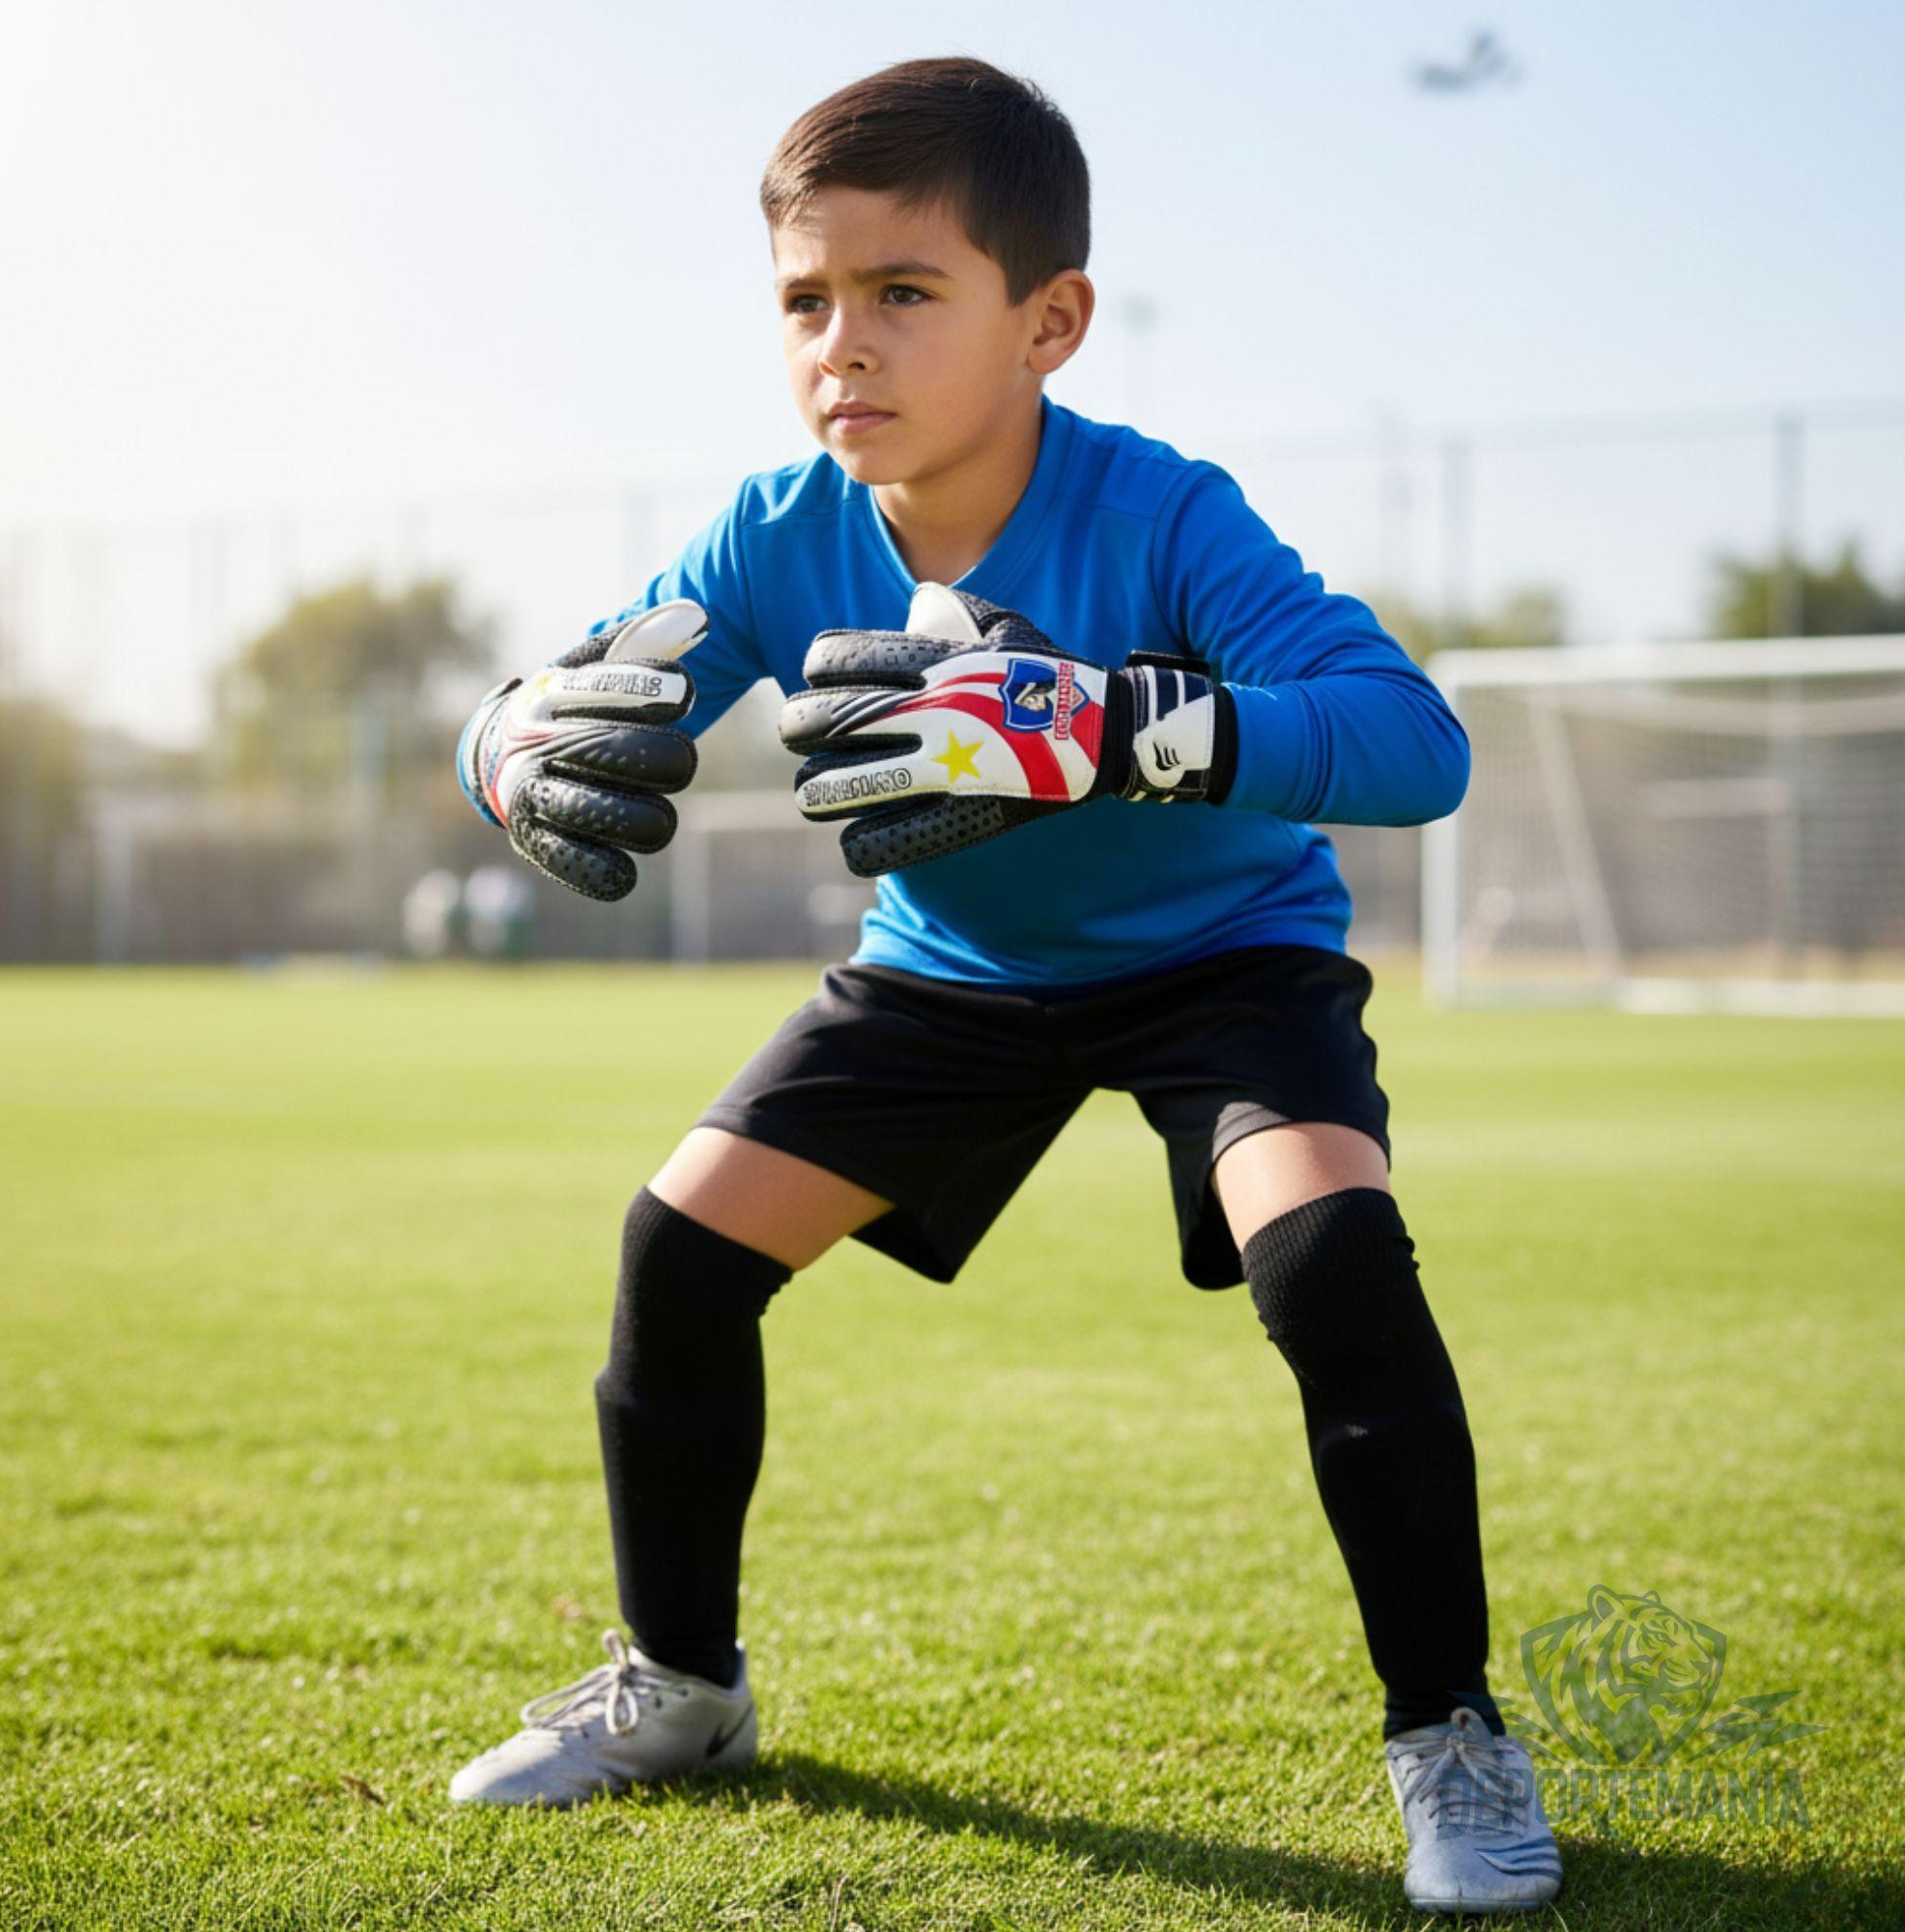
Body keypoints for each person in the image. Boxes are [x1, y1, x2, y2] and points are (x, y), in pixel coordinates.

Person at [446, 54, 1562, 1918]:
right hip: (953, 972)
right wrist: (500, 737)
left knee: (1334, 1257)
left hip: (1226, 960)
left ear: (1049, 323)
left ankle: (1449, 1733)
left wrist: (1119, 725)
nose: (842, 347)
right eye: (806, 301)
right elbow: (597, 677)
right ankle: (684, 1690)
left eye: (902, 292)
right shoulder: (772, 529)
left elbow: (1414, 743)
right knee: (682, 1251)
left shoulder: (1166, 514)